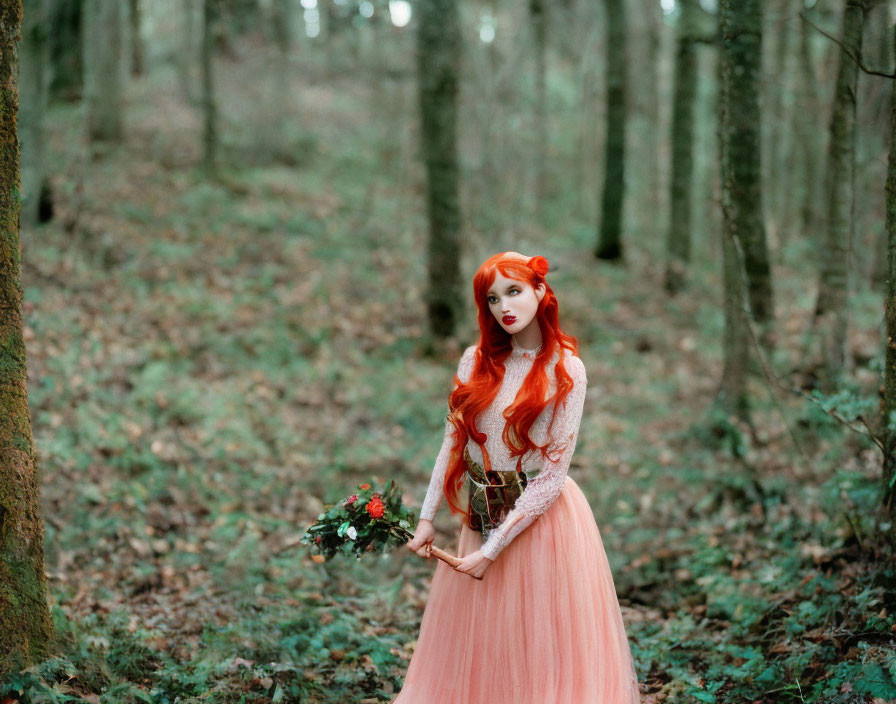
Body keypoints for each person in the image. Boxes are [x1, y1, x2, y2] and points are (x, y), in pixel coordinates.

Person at [393, 251, 641, 703]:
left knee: (539, 644)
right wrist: (427, 517)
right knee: (484, 640)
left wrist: (492, 550)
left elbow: (552, 475)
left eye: (514, 292)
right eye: (492, 298)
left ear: (540, 292)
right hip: (482, 512)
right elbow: (451, 442)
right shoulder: (475, 361)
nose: (503, 307)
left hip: (542, 524)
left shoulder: (566, 369)